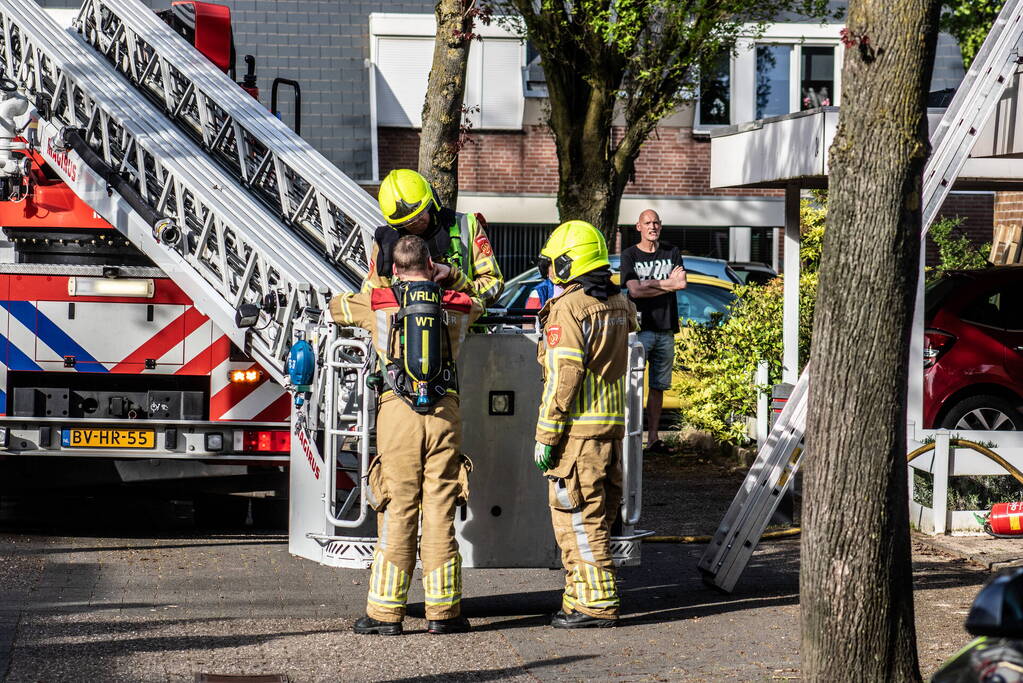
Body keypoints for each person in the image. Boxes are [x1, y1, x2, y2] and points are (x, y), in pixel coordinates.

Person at [329, 234, 484, 636]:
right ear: (431, 265)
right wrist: (454, 276)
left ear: (395, 269)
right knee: (439, 514)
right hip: (444, 414)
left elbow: (336, 308)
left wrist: (378, 283)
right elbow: (480, 301)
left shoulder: (379, 302)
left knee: (398, 510)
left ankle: (384, 615)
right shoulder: (458, 304)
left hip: (397, 412)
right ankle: (444, 615)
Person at [532, 220, 638, 629]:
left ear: (565, 263)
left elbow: (564, 377)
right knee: (599, 516)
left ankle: (595, 604)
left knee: (577, 518)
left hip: (577, 435)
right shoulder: (619, 301)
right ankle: (579, 599)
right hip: (611, 431)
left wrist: (546, 435)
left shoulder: (569, 308)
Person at [368, 168, 504, 306]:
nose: (415, 223)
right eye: (406, 223)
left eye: (420, 214)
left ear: (432, 202)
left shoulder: (466, 226)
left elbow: (494, 286)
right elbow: (371, 297)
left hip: (461, 326)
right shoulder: (385, 244)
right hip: (408, 326)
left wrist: (455, 279)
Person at [619, 209, 687, 454]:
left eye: (656, 222)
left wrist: (649, 285)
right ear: (638, 226)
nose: (652, 226)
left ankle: (654, 438)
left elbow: (682, 283)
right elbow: (634, 291)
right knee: (633, 384)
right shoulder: (629, 255)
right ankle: (629, 437)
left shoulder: (672, 252)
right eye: (647, 222)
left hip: (666, 329)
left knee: (658, 386)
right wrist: (668, 285)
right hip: (640, 330)